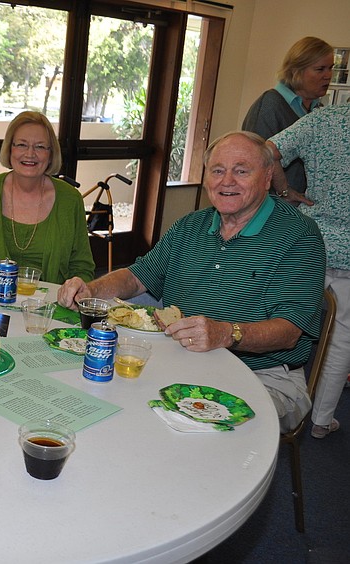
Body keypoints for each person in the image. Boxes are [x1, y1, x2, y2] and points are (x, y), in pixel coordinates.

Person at [57, 131, 325, 433]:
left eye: (241, 171)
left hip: (263, 374)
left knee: (188, 424)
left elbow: (289, 331)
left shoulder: (299, 236)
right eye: (218, 170)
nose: (227, 181)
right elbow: (136, 277)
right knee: (100, 393)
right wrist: (92, 290)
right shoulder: (190, 225)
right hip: (180, 359)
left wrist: (226, 333)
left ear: (267, 178)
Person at [268, 103, 350, 438]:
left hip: (310, 240)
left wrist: (285, 191)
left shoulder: (325, 118)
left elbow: (268, 150)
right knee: (342, 334)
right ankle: (320, 420)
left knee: (284, 315)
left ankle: (273, 387)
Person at [0, 111, 94, 284]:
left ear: (51, 154)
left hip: (50, 307)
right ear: (10, 149)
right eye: (22, 145)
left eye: (40, 146)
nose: (30, 154)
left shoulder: (70, 199)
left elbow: (82, 268)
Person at [242, 37, 333, 198]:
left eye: (330, 68)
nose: (328, 75)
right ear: (296, 71)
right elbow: (253, 162)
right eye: (320, 69)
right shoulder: (270, 105)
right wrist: (283, 192)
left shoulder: (318, 110)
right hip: (272, 207)